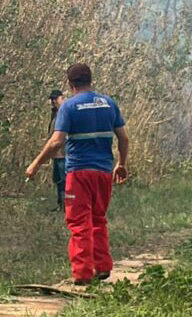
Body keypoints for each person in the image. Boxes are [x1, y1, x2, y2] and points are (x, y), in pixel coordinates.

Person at [25, 64, 129, 285]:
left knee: (79, 222)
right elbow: (124, 138)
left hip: (79, 173)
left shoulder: (69, 107)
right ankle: (102, 268)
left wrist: (35, 164)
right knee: (98, 219)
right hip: (103, 172)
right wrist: (121, 164)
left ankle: (82, 274)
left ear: (70, 85)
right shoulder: (109, 103)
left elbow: (56, 142)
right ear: (90, 80)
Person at [48, 89, 66, 211]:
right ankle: (61, 205)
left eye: (57, 98)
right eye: (53, 99)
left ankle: (67, 206)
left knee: (65, 181)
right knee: (59, 181)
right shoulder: (55, 113)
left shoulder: (65, 112)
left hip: (65, 154)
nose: (54, 101)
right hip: (56, 154)